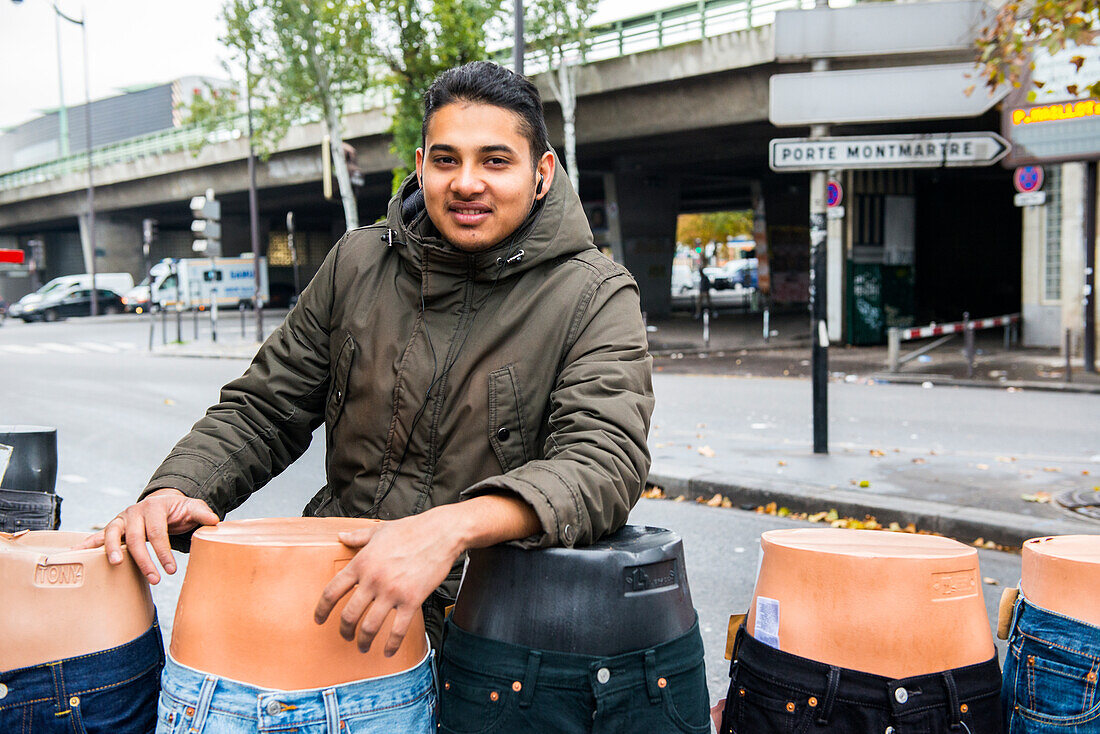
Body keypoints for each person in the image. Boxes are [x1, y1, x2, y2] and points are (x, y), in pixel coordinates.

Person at [78, 61, 654, 656]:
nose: (467, 182)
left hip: (490, 631)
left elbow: (603, 461)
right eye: (446, 159)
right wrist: (178, 486)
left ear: (541, 175)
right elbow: (264, 408)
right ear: (420, 166)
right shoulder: (356, 263)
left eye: (495, 161)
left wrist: (453, 527)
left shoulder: (595, 293)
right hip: (334, 603)